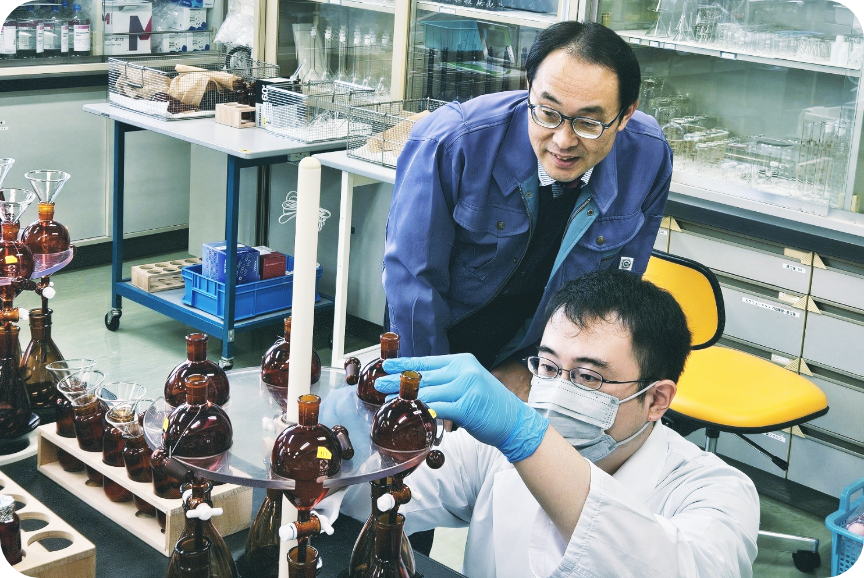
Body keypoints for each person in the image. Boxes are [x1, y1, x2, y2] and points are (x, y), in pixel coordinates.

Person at [334, 269, 759, 578]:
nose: (557, 392)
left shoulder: (715, 490)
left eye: (588, 377)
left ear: (656, 400)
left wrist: (530, 443)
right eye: (550, 368)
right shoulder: (496, 446)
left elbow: (680, 568)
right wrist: (344, 436)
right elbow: (370, 498)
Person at [382, 21, 673, 399]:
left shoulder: (648, 155)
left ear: (626, 115)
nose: (563, 141)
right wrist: (431, 390)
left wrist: (534, 368)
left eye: (589, 123)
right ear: (528, 89)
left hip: (542, 362)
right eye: (548, 113)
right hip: (440, 345)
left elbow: (615, 293)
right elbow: (412, 282)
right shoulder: (455, 141)